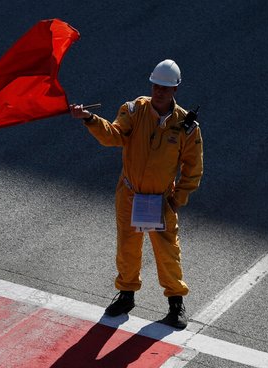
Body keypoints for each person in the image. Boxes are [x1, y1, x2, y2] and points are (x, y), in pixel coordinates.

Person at [70, 59, 203, 328]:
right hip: (130, 194)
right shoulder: (133, 110)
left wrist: (178, 199)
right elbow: (113, 136)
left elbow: (194, 168)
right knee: (128, 247)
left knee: (168, 251)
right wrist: (90, 119)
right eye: (156, 86)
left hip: (161, 199)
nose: (159, 92)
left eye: (165, 88)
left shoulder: (186, 126)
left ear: (175, 90)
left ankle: (176, 303)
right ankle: (127, 294)